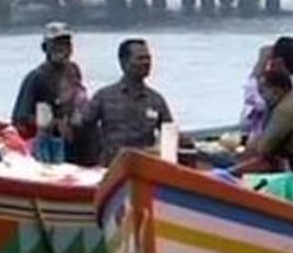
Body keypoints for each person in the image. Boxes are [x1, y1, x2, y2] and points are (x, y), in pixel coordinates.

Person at [75, 38, 175, 167]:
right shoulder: (104, 96)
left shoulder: (156, 100)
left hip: (144, 169)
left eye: (148, 58)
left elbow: (170, 135)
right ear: (123, 62)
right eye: (140, 58)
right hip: (111, 168)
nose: (146, 63)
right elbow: (83, 127)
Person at [10, 21, 96, 164]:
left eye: (66, 44)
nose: (62, 48)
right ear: (45, 48)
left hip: (73, 138)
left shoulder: (73, 70)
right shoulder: (36, 77)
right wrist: (53, 124)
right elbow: (20, 119)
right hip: (46, 142)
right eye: (57, 44)